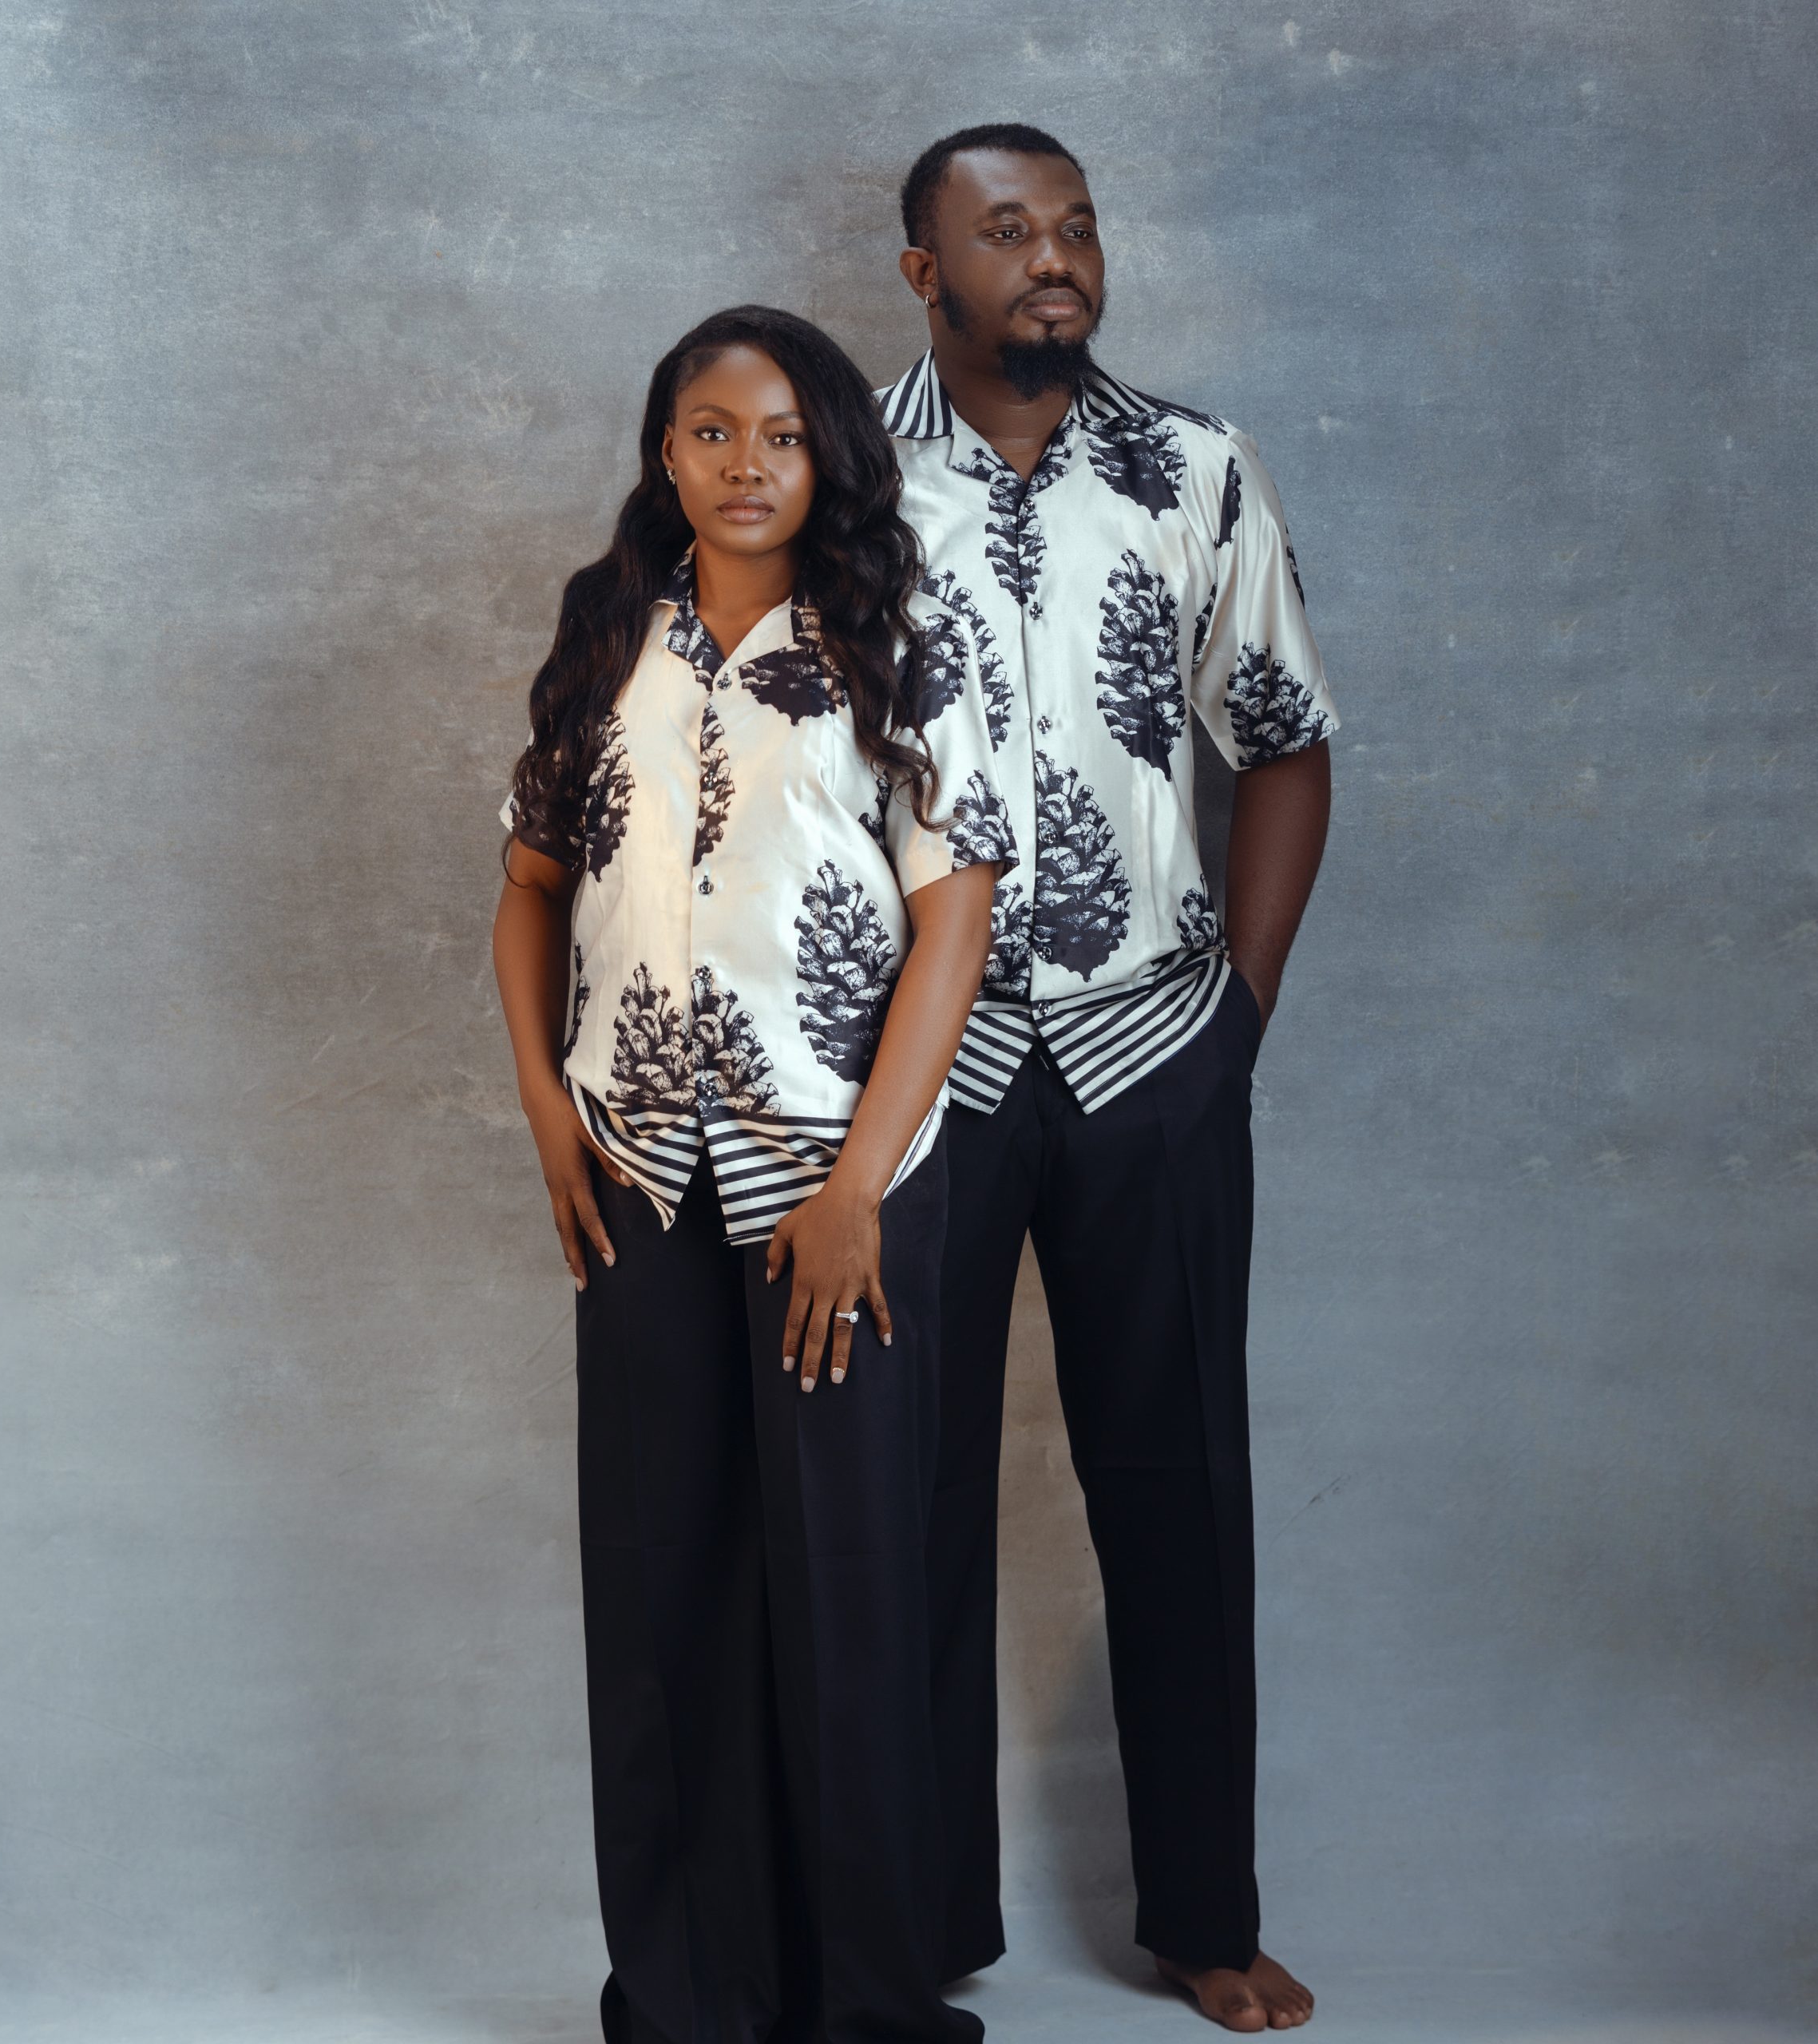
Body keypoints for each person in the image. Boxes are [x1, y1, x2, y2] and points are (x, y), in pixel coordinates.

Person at [493, 304, 1013, 2044]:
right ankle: (686, 1996)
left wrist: (860, 1186)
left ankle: (866, 2005)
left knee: (845, 1589)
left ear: (828, 455)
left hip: (830, 1178)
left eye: (782, 434)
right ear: (665, 451)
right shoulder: (605, 635)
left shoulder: (898, 639)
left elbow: (953, 924)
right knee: (663, 1590)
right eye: (710, 431)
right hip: (638, 1169)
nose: (744, 464)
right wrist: (547, 1111)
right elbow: (528, 888)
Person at [877, 127, 1339, 2034]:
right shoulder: (833, 474)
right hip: (920, 1067)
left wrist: (1234, 1020)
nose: (1053, 259)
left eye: (1073, 227)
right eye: (1006, 233)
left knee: (1177, 1481)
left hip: (1151, 1048)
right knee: (898, 1492)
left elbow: (1284, 742)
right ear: (924, 272)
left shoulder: (1194, 469)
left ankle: (1204, 1914)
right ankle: (909, 1923)